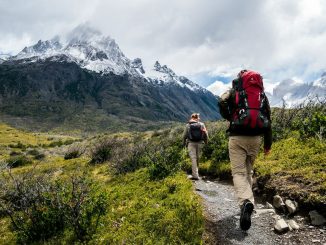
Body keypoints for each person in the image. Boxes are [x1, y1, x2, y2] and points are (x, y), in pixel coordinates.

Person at [219, 70, 272, 231]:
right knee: (248, 172)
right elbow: (268, 118)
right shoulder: (261, 94)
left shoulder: (234, 91)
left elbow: (221, 101)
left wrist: (230, 117)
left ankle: (246, 202)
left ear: (240, 78)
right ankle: (247, 202)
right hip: (256, 138)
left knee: (238, 173)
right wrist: (267, 145)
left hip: (237, 137)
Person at [182, 113, 208, 180]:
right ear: (197, 118)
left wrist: (184, 144)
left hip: (191, 143)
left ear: (192, 118)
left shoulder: (188, 125)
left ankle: (195, 175)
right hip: (200, 143)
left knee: (193, 158)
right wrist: (206, 142)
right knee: (198, 158)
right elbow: (206, 134)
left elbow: (184, 136)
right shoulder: (202, 124)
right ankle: (196, 174)